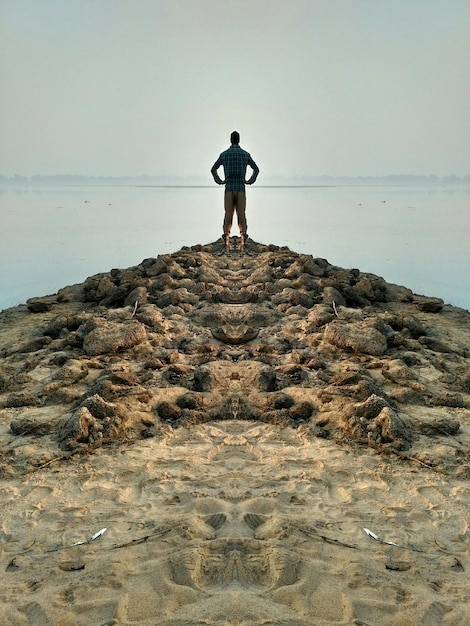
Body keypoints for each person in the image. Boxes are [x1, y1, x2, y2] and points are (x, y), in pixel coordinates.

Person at [211, 131, 259, 247]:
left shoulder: (224, 154)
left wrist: (219, 180)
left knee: (228, 214)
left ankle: (226, 237)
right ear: (239, 140)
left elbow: (213, 169)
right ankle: (243, 237)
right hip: (241, 187)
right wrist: (250, 181)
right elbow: (256, 169)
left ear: (230, 140)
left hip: (228, 187)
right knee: (241, 214)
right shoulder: (245, 154)